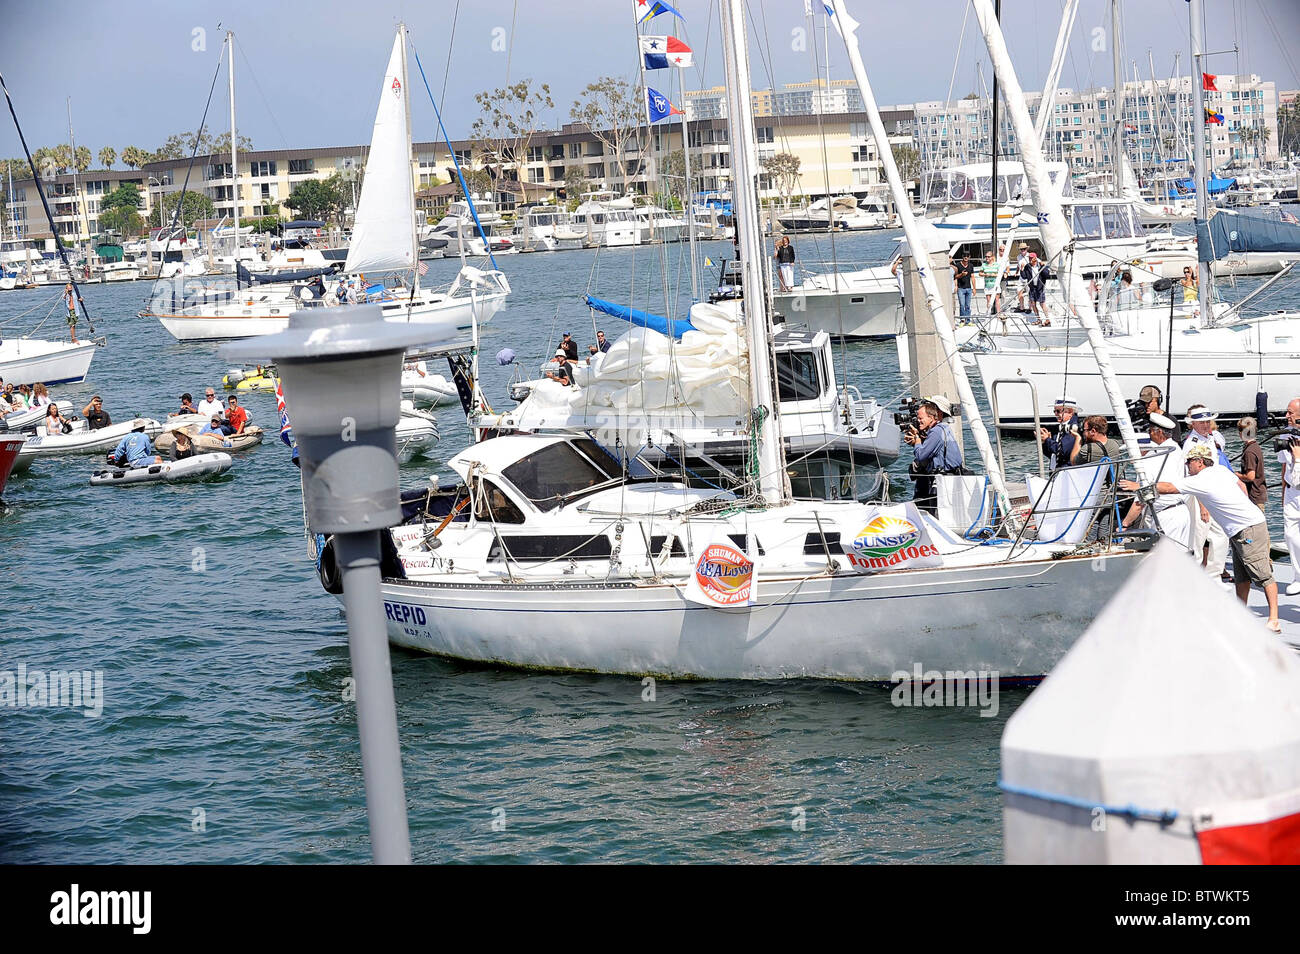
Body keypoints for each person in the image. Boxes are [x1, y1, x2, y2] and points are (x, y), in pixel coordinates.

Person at [1121, 443, 1280, 632]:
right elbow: (1240, 485)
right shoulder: (1220, 470)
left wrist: (1138, 486)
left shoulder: (1200, 480)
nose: (1187, 466)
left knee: (1262, 573)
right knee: (1242, 576)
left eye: (1189, 462)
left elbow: (1169, 488)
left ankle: (1274, 619)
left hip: (1248, 528)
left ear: (1199, 462)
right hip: (1242, 527)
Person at [1121, 413, 1194, 550]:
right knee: (1181, 558)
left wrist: (1125, 524)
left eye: (1150, 431)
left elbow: (1142, 498)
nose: (1149, 435)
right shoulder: (1176, 449)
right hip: (1181, 512)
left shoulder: (1155, 457)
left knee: (1165, 560)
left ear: (1159, 432)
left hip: (1166, 516)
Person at [903, 395, 962, 515]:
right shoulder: (944, 428)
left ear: (932, 416)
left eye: (921, 418)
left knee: (935, 514)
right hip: (950, 478)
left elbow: (921, 456)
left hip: (942, 480)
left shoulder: (936, 431)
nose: (918, 421)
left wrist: (917, 442)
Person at [1278, 397, 1300, 596]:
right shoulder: (1286, 435)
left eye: (1290, 413)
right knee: (1290, 534)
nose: (1287, 416)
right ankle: (1297, 576)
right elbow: (1284, 465)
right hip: (1292, 491)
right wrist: (1283, 491)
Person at [1039, 397, 1083, 470]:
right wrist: (1045, 442)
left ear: (1070, 412)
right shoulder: (1061, 427)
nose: (1056, 414)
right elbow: (1052, 454)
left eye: (1058, 411)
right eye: (1054, 411)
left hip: (1066, 471)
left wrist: (1047, 440)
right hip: (1056, 471)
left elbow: (1063, 451)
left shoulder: (1073, 428)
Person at [1236, 417, 1266, 509]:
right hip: (1259, 494)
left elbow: (1250, 476)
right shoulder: (1256, 447)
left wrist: (1236, 475)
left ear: (1241, 433)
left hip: (1254, 496)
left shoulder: (1249, 452)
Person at [1021, 251, 1052, 321]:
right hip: (1032, 288)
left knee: (1042, 304)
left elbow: (1047, 275)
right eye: (1029, 258)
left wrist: (1043, 266)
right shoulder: (1027, 266)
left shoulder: (1040, 265)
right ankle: (1038, 319)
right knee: (1033, 303)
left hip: (1040, 288)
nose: (1030, 259)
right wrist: (1021, 269)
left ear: (1035, 258)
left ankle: (1047, 319)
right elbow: (1024, 277)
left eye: (1031, 258)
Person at [980, 250, 1001, 317]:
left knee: (997, 300)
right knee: (988, 301)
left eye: (988, 257)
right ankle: (988, 314)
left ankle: (998, 314)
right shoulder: (984, 265)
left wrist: (993, 275)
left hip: (995, 285)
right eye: (986, 257)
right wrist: (985, 274)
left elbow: (1000, 273)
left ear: (992, 257)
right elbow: (980, 273)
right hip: (987, 285)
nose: (987, 258)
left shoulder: (996, 264)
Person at [1014, 243, 1030, 311]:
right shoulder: (1018, 257)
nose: (1023, 250)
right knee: (1019, 291)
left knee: (1030, 293)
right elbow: (1018, 265)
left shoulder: (1030, 256)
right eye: (1021, 249)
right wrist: (1016, 272)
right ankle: (1022, 307)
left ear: (1026, 249)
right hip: (1021, 277)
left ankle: (1030, 308)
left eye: (1024, 249)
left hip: (1028, 277)